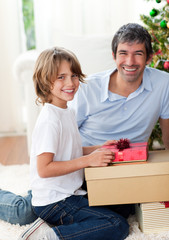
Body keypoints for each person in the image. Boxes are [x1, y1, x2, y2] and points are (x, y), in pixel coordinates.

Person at [0, 22, 169, 227]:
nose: (130, 61)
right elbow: (57, 149)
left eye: (138, 54)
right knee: (27, 212)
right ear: (114, 56)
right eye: (123, 53)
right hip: (77, 171)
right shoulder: (83, 91)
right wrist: (88, 159)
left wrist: (101, 149)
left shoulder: (163, 84)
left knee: (120, 210)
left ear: (149, 57)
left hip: (115, 164)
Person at [17, 46, 129, 240]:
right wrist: (88, 161)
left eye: (74, 75)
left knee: (124, 204)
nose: (70, 82)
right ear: (45, 80)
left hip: (71, 192)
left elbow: (70, 150)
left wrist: (99, 149)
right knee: (117, 224)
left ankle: (55, 224)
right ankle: (50, 235)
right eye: (61, 77)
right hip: (55, 201)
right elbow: (44, 168)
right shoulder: (50, 120)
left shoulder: (66, 111)